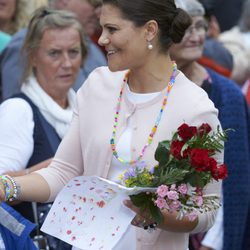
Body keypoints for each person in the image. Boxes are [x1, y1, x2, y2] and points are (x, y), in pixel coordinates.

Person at [0, 1, 223, 249]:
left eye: (112, 29)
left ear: (149, 30)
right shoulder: (98, 84)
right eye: (102, 28)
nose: (103, 39)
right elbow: (62, 172)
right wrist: (7, 187)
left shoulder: (195, 108)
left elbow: (206, 210)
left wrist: (158, 214)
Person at [0, 6, 87, 250]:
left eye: (74, 52)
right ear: (32, 56)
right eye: (54, 53)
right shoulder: (18, 110)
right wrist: (53, 169)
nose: (67, 63)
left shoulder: (85, 109)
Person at [170, 1, 250, 250]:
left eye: (201, 27)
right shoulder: (148, 91)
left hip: (206, 236)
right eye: (186, 28)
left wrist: (213, 243)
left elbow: (234, 178)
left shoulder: (226, 94)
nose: (196, 36)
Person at [0, 0, 106, 101]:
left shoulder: (96, 52)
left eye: (74, 52)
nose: (99, 11)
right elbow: (13, 99)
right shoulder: (25, 42)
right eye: (94, 2)